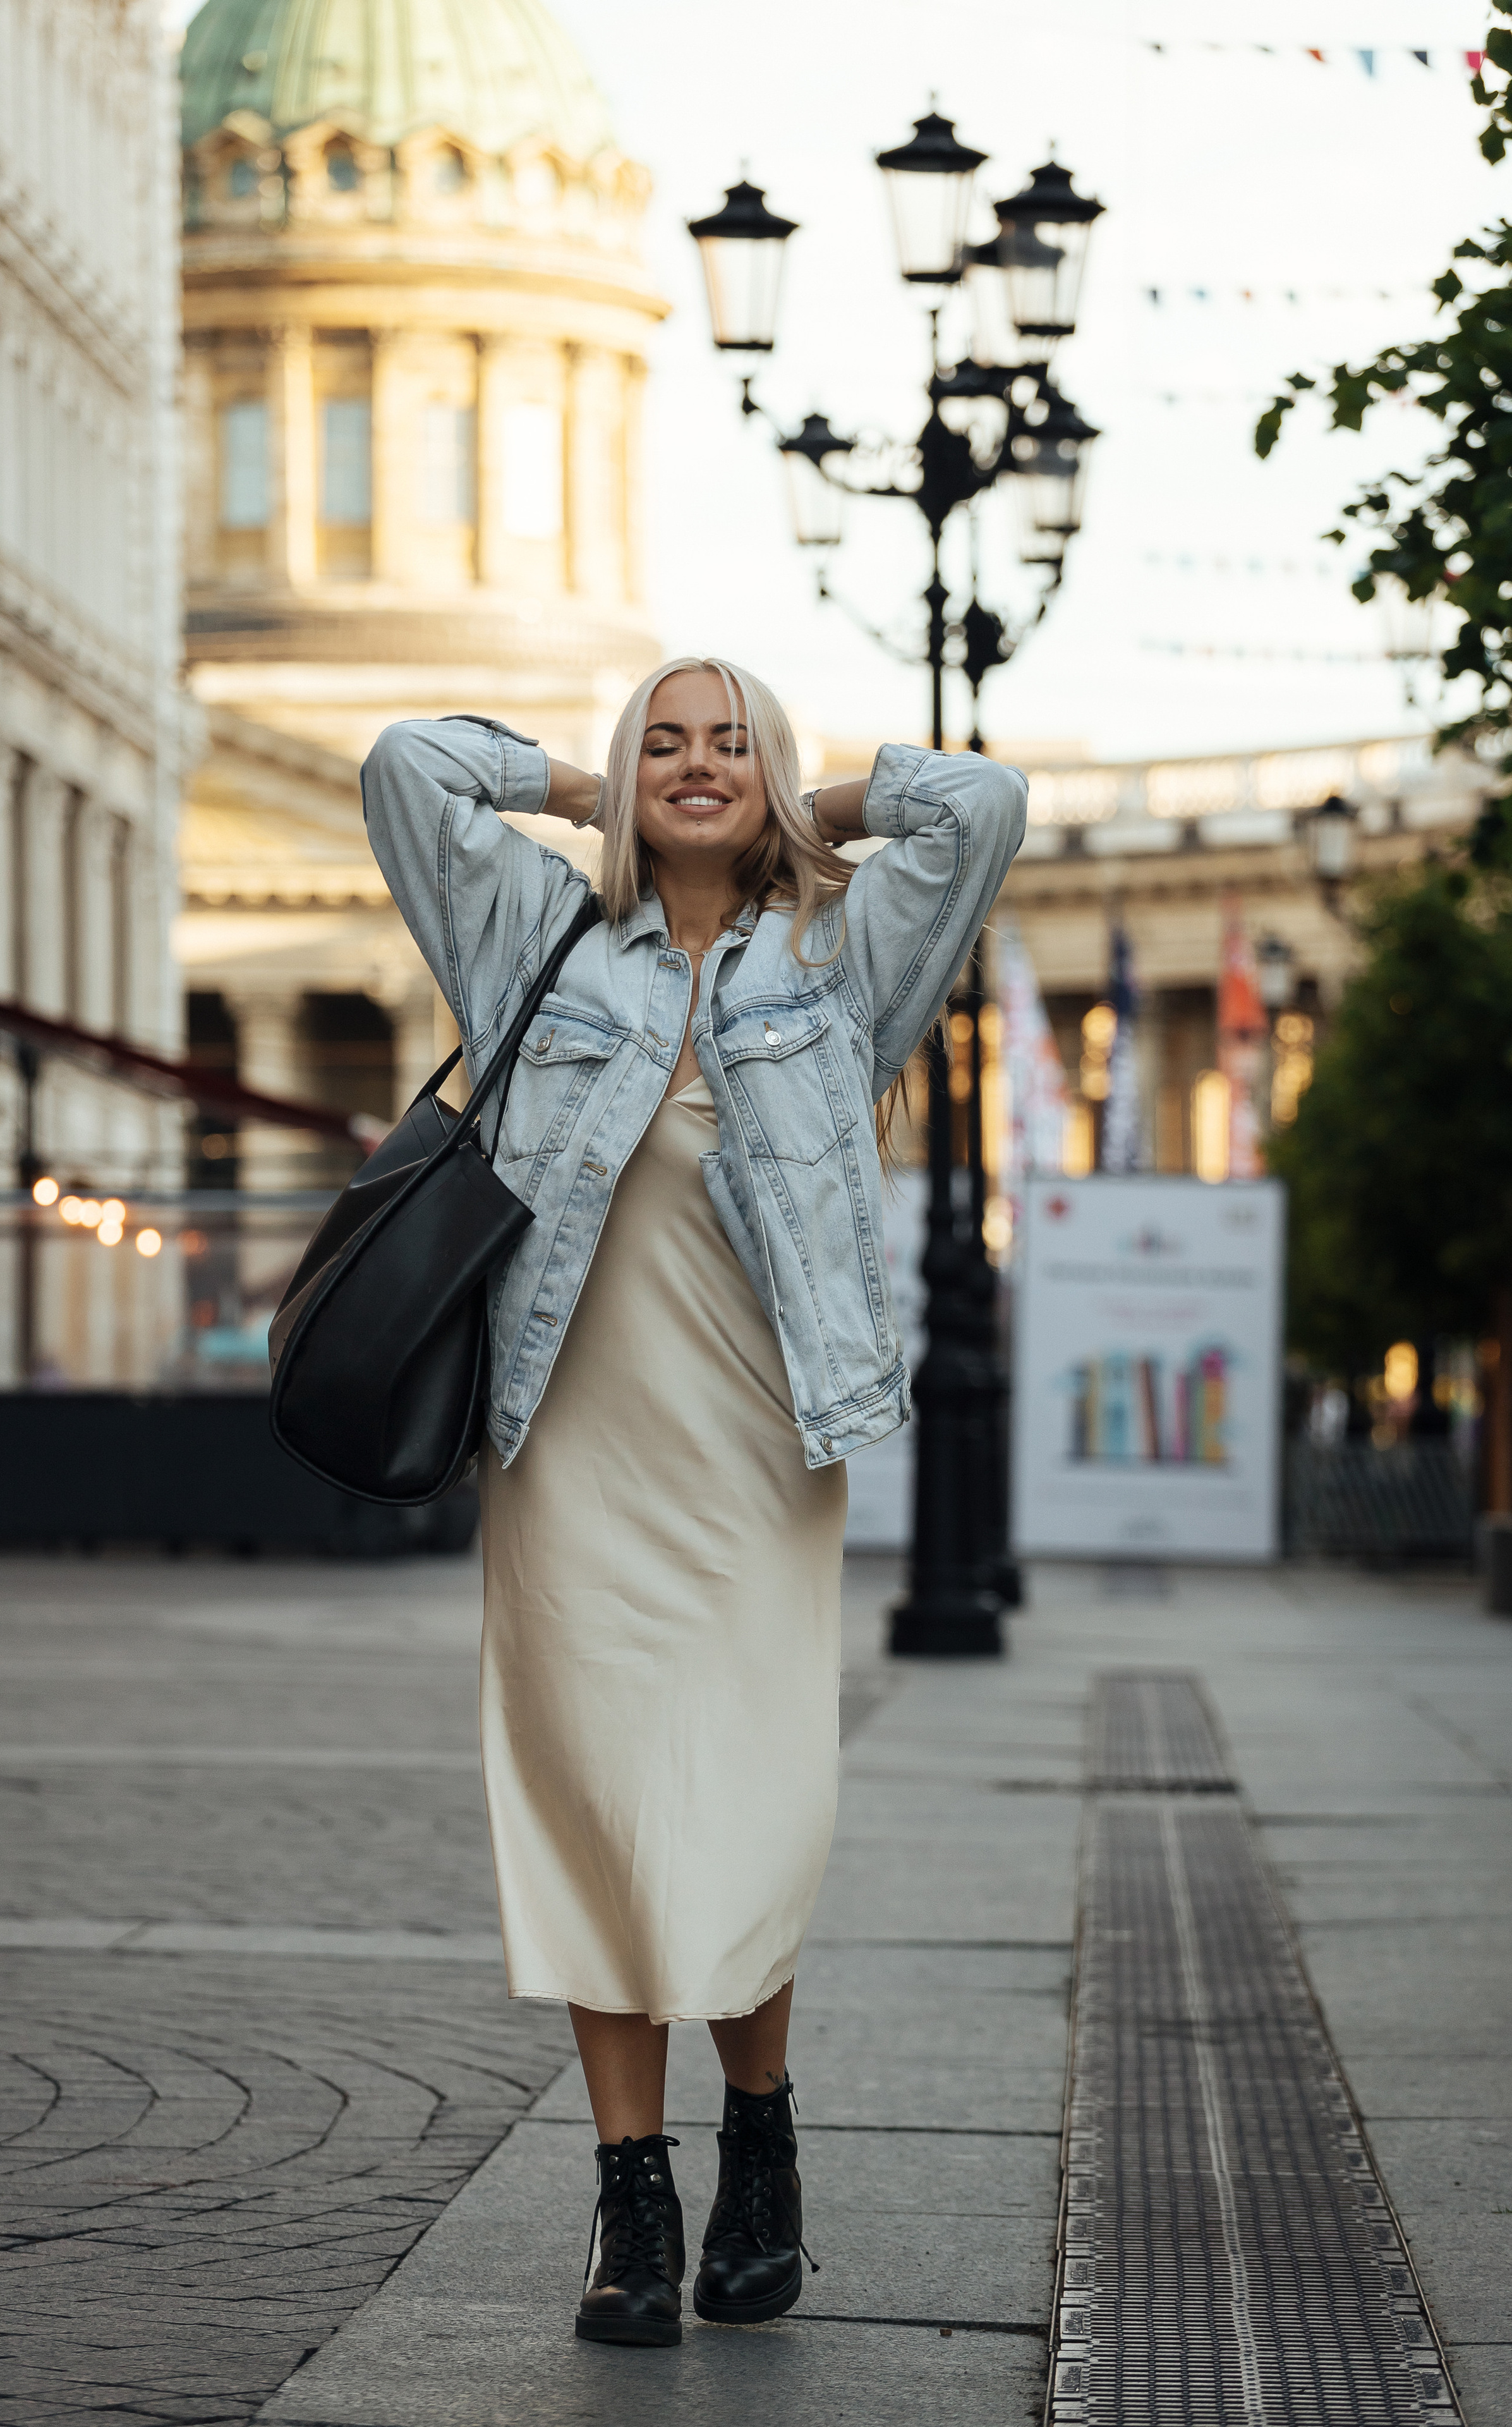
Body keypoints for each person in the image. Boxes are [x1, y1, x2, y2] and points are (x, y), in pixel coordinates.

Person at [363, 658, 1026, 2349]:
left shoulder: (844, 955)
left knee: (746, 1805)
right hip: (568, 1442)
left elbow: (984, 807)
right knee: (595, 1808)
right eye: (665, 741)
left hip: (756, 1452)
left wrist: (817, 809)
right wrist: (588, 796)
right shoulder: (538, 935)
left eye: (732, 741)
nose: (696, 763)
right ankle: (633, 2199)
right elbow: (407, 768)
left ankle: (764, 2140)